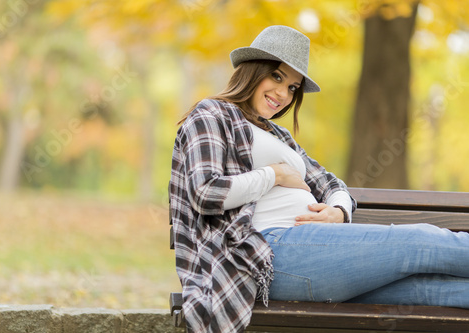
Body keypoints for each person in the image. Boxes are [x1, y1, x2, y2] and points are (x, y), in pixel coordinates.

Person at [169, 25, 469, 333]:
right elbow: (206, 192)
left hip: (315, 259)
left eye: (293, 88)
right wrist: (274, 175)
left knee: (434, 290)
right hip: (272, 252)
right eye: (277, 77)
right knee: (421, 242)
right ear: (252, 69)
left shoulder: (278, 135)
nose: (283, 94)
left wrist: (338, 212)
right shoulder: (213, 115)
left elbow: (331, 184)